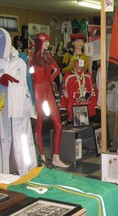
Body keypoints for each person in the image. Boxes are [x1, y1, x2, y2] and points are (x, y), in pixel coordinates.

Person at [29, 33, 68, 168]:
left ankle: (56, 157)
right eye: (45, 41)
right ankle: (42, 157)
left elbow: (57, 70)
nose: (47, 44)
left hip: (46, 90)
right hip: (38, 91)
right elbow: (29, 76)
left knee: (58, 124)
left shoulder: (47, 56)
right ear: (40, 42)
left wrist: (49, 81)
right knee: (39, 124)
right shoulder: (32, 58)